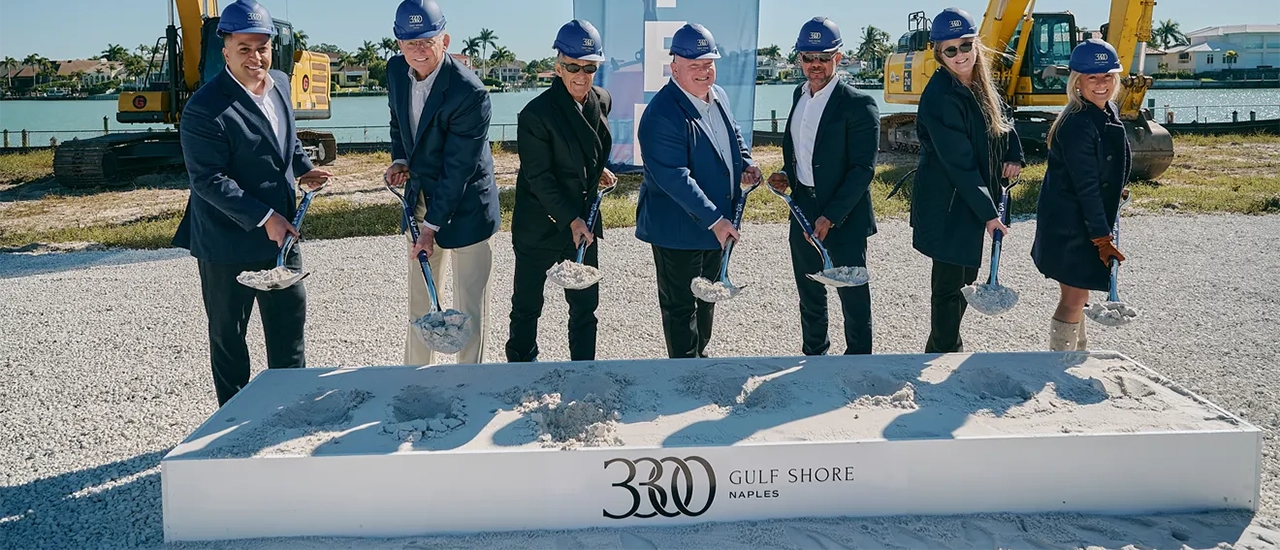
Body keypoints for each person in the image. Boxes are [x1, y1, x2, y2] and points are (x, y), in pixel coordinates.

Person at [172, 0, 333, 406]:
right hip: (225, 241)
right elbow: (208, 180)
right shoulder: (204, 108)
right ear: (225, 49)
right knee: (229, 338)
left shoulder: (279, 82)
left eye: (262, 47)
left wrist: (303, 168)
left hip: (282, 235)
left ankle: (290, 409)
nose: (255, 57)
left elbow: (286, 140)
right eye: (244, 48)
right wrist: (265, 217)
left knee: (289, 328)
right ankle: (234, 421)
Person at [383, 0, 500, 366]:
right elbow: (397, 121)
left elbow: (458, 168)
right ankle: (415, 377)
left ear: (444, 40)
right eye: (410, 42)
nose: (418, 49)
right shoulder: (395, 71)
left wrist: (430, 228)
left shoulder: (470, 93)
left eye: (427, 41)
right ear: (399, 44)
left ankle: (470, 382)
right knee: (421, 300)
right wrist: (401, 159)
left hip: (467, 206)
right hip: (421, 196)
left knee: (469, 307)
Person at [635, 23, 761, 359]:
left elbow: (733, 135)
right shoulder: (661, 114)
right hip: (678, 230)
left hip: (716, 223)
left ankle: (699, 360)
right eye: (694, 65)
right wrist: (716, 220)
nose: (704, 71)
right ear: (674, 67)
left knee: (708, 299)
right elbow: (674, 177)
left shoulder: (718, 95)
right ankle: (683, 373)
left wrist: (746, 162)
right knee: (681, 308)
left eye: (709, 63)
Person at [910, 7, 1024, 354]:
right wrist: (990, 214)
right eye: (950, 49)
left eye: (965, 45)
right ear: (938, 53)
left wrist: (1013, 153)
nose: (960, 55)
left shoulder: (980, 85)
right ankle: (944, 352)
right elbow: (958, 163)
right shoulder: (940, 97)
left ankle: (940, 350)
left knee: (967, 278)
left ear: (976, 44)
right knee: (949, 287)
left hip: (970, 198)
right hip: (946, 203)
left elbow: (1002, 123)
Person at [767, 17, 880, 356]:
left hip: (843, 213)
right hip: (803, 207)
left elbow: (862, 170)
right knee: (809, 292)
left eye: (823, 57)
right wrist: (786, 174)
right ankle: (814, 356)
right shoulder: (798, 95)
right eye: (808, 57)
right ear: (799, 58)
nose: (815, 64)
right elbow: (803, 152)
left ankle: (859, 361)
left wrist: (831, 216)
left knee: (852, 296)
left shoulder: (859, 104)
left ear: (838, 58)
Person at [505, 20, 616, 362]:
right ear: (558, 67)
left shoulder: (602, 100)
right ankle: (521, 368)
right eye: (572, 67)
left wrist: (596, 170)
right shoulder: (534, 115)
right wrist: (571, 219)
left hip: (582, 222)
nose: (581, 75)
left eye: (589, 67)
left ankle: (583, 372)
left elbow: (586, 147)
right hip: (540, 223)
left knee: (585, 307)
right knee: (527, 307)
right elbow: (540, 176)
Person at [1031, 39, 1131, 351]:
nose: (1101, 84)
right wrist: (1102, 238)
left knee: (1080, 292)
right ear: (1077, 82)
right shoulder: (1076, 124)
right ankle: (1060, 359)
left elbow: (1106, 166)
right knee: (1074, 297)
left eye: (1107, 76)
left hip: (1085, 219)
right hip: (1071, 224)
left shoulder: (1107, 111)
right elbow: (1086, 186)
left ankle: (1077, 352)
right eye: (1092, 77)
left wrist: (1117, 186)